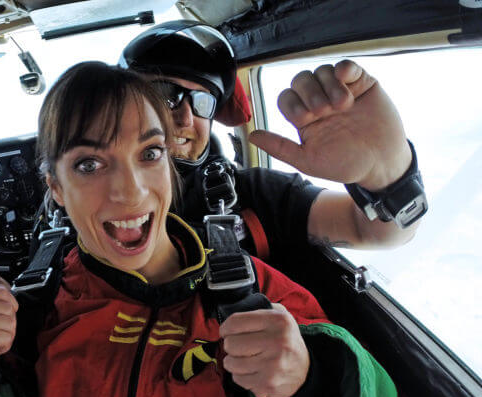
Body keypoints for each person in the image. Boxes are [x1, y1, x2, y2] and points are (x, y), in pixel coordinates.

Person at [0, 63, 396, 397]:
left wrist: (310, 378)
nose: (130, 192)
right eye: (89, 164)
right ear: (56, 189)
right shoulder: (35, 309)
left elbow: (382, 396)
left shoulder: (258, 297)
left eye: (149, 154)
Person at [120, 20, 425, 263]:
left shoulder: (250, 194)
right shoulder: (80, 198)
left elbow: (373, 232)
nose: (186, 118)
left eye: (203, 101)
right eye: (165, 95)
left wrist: (387, 177)